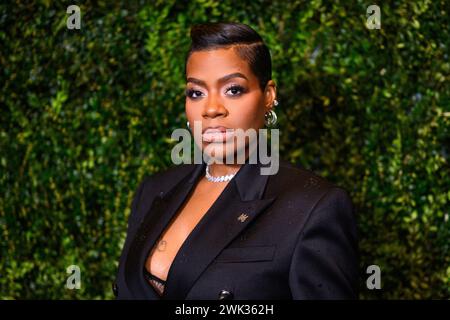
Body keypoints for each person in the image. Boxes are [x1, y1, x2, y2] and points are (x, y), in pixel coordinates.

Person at [114, 22, 358, 300]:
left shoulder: (313, 206)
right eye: (196, 92)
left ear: (268, 96)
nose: (211, 109)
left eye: (233, 90)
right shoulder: (154, 189)